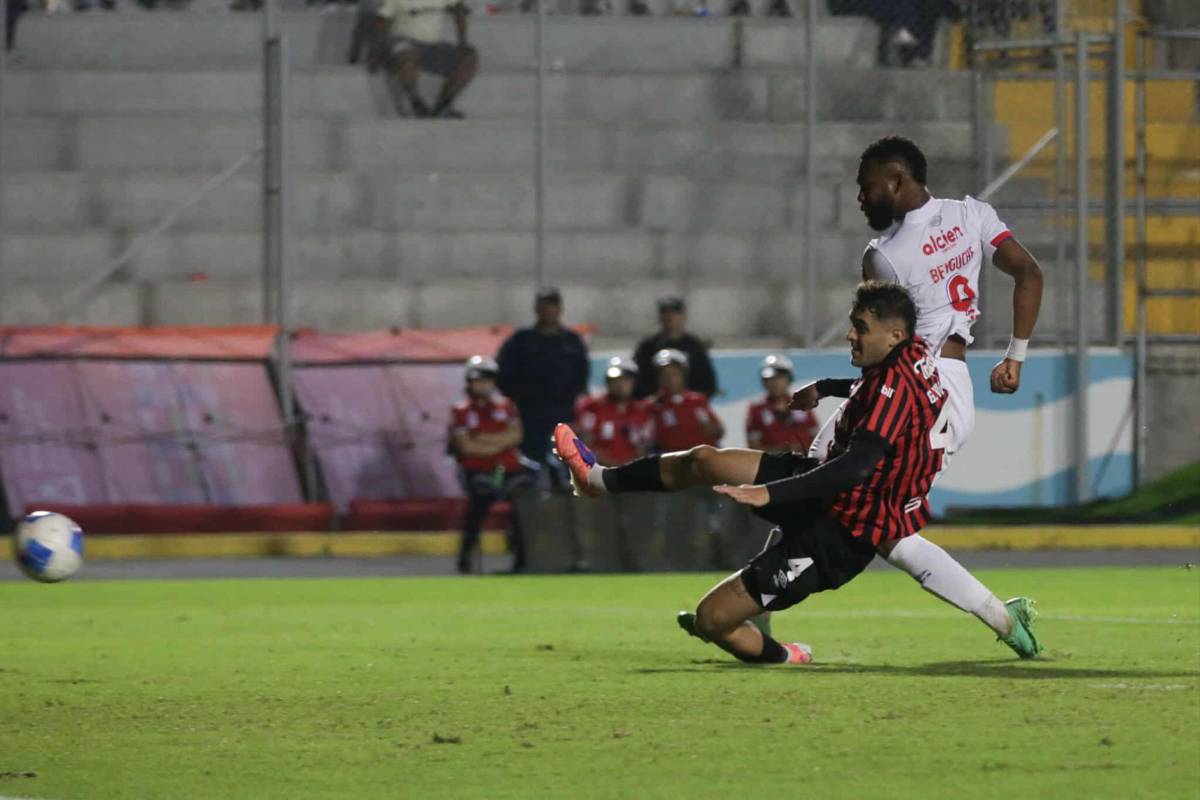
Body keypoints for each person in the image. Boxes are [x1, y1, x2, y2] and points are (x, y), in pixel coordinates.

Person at [553, 282, 1041, 662]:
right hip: (825, 485)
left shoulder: (893, 387)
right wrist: (826, 386)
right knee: (705, 459)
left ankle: (785, 655)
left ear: (893, 334)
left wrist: (771, 494)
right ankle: (596, 481)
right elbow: (875, 397)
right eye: (852, 324)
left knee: (711, 619)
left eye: (860, 327)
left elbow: (856, 467)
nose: (851, 334)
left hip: (842, 533)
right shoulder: (912, 356)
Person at [796, 135, 1044, 647]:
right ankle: (1002, 618)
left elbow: (881, 352)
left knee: (835, 492)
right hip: (952, 390)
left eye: (866, 187)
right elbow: (1029, 273)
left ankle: (753, 606)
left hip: (914, 394)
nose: (860, 198)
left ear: (896, 180)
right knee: (862, 507)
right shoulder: (972, 214)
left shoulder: (883, 256)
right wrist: (1014, 357)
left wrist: (831, 386)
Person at [496, 287, 590, 476]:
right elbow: (502, 375)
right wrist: (521, 397)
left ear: (560, 308)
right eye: (544, 305)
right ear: (536, 308)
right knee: (531, 465)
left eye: (552, 305)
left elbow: (582, 377)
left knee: (565, 465)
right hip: (529, 415)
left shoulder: (572, 342)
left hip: (563, 414)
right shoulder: (520, 340)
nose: (548, 310)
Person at [448, 355, 529, 574]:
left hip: (508, 469)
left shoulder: (506, 405)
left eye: (487, 380)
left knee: (524, 500)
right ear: (469, 382)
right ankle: (466, 557)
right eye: (478, 380)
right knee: (481, 496)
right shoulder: (461, 410)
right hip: (477, 469)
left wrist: (482, 439)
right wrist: (500, 442)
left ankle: (523, 560)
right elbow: (465, 446)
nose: (483, 385)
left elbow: (516, 436)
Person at [359, 0, 478, 119]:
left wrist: (463, 41)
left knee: (469, 58)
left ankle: (444, 105)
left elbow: (459, 11)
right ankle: (415, 102)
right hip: (403, 41)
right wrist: (374, 52)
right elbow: (381, 23)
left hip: (433, 45)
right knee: (407, 53)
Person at [632, 297, 718, 400]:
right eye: (666, 314)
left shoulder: (695, 347)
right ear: (660, 317)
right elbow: (636, 380)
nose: (670, 318)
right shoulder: (647, 347)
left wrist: (689, 400)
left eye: (674, 314)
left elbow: (707, 382)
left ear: (684, 316)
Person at [574, 357, 652, 467]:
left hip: (634, 470)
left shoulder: (643, 410)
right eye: (615, 380)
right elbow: (585, 444)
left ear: (634, 382)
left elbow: (644, 446)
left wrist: (629, 467)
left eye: (625, 380)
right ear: (608, 382)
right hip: (599, 471)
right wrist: (612, 467)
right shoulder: (592, 408)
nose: (620, 385)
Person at [646, 349, 723, 453]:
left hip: (703, 456)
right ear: (658, 378)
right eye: (665, 375)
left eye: (675, 374)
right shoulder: (653, 405)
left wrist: (712, 429)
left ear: (683, 375)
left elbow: (719, 431)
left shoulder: (697, 400)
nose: (671, 379)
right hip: (672, 458)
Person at [745, 354, 820, 454]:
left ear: (789, 379)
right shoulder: (756, 409)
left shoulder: (803, 403)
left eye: (779, 378)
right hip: (773, 463)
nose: (774, 383)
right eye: (769, 379)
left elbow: (818, 439)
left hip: (805, 461)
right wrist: (786, 451)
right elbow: (754, 448)